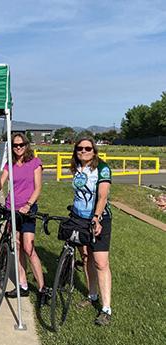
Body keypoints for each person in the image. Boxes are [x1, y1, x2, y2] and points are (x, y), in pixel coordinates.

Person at [0, 133, 49, 304]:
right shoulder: (10, 164)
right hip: (11, 209)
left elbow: (38, 188)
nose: (18, 148)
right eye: (15, 145)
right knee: (18, 246)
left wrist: (28, 204)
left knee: (28, 247)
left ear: (27, 145)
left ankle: (43, 287)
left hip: (27, 210)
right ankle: (23, 285)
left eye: (21, 145)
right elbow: (1, 182)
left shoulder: (35, 162)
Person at [70, 137, 113, 326]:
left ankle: (106, 308)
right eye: (80, 148)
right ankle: (92, 294)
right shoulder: (77, 167)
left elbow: (103, 196)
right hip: (79, 217)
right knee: (86, 257)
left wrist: (96, 217)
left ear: (94, 150)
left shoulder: (102, 168)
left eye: (88, 148)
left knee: (101, 262)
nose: (83, 151)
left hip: (98, 219)